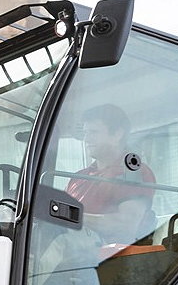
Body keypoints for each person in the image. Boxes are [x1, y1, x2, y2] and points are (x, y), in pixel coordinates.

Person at [66, 104, 156, 246]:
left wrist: (70, 216)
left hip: (108, 260)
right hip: (69, 251)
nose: (86, 139)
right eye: (85, 133)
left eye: (94, 132)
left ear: (117, 134)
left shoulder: (132, 171)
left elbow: (126, 226)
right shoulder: (78, 178)